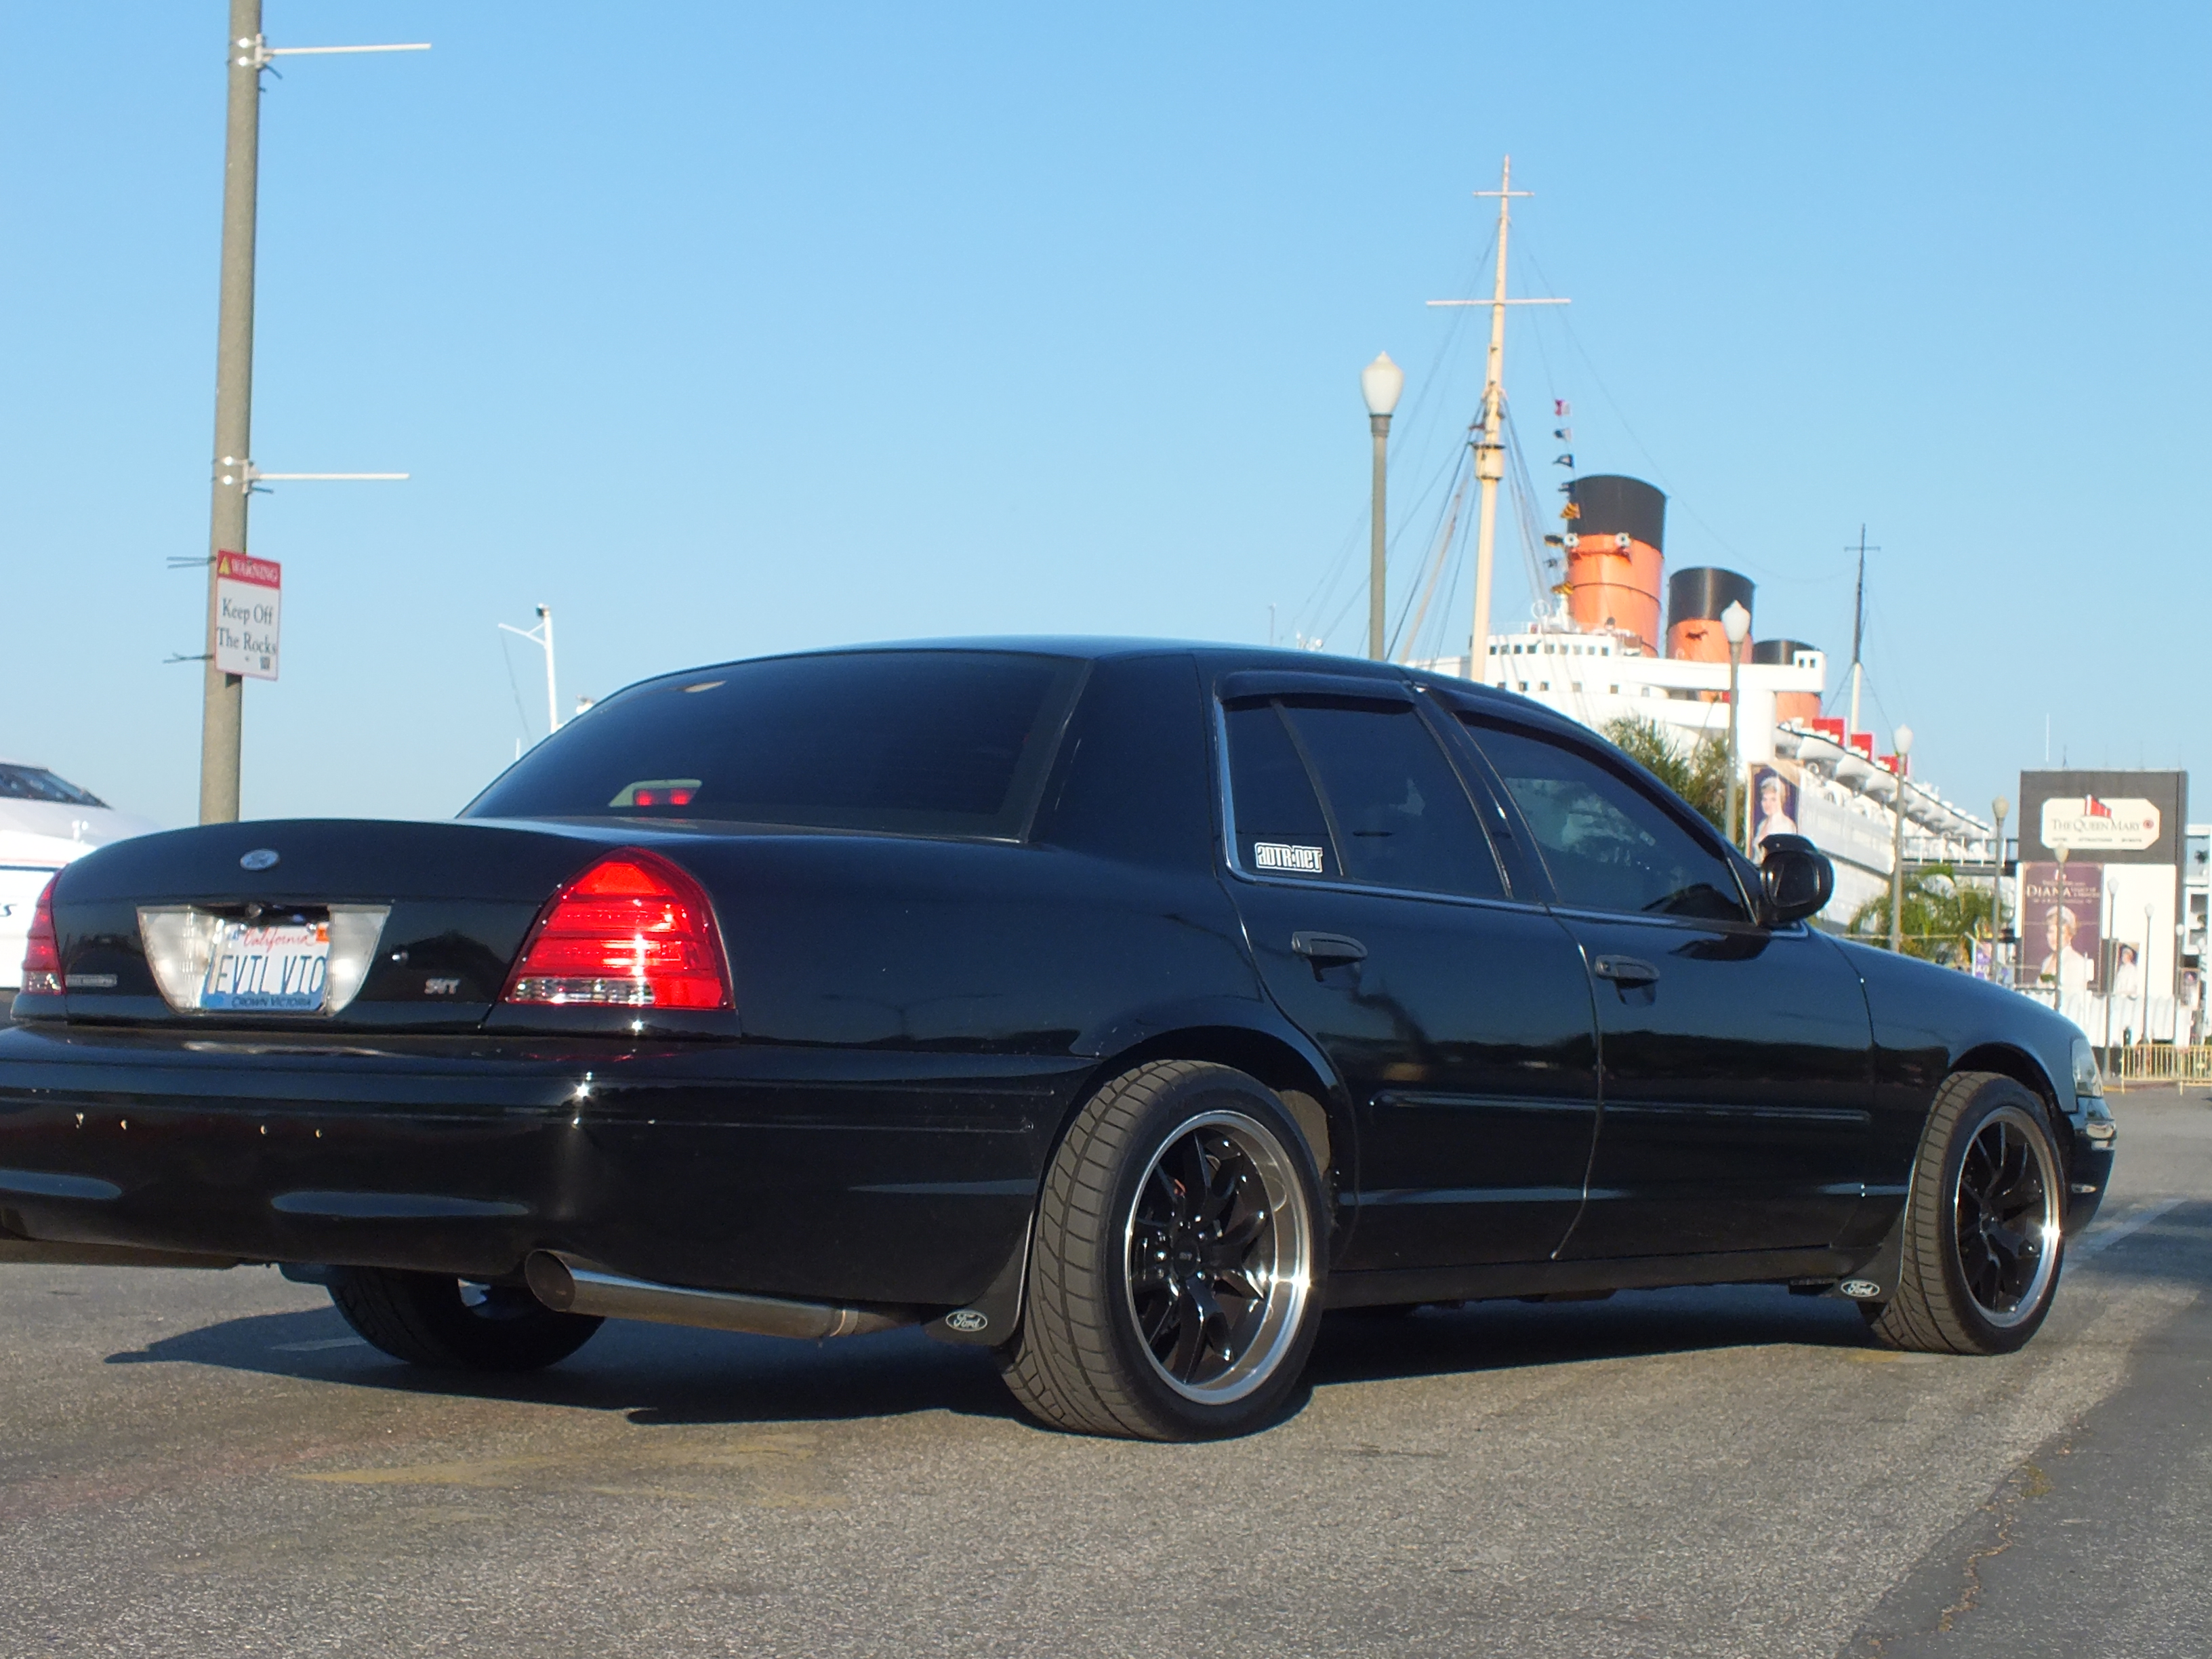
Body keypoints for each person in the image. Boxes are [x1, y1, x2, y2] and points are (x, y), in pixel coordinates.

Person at [2036, 903, 2093, 993]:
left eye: (2061, 933)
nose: (2055, 937)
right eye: (2051, 932)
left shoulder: (2077, 962)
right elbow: (2040, 987)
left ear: (2070, 935)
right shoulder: (2047, 961)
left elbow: (2073, 995)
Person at [1751, 770, 1797, 849]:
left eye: (1773, 799)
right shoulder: (1762, 824)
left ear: (1781, 800)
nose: (1768, 804)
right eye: (1765, 799)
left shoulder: (1786, 825)